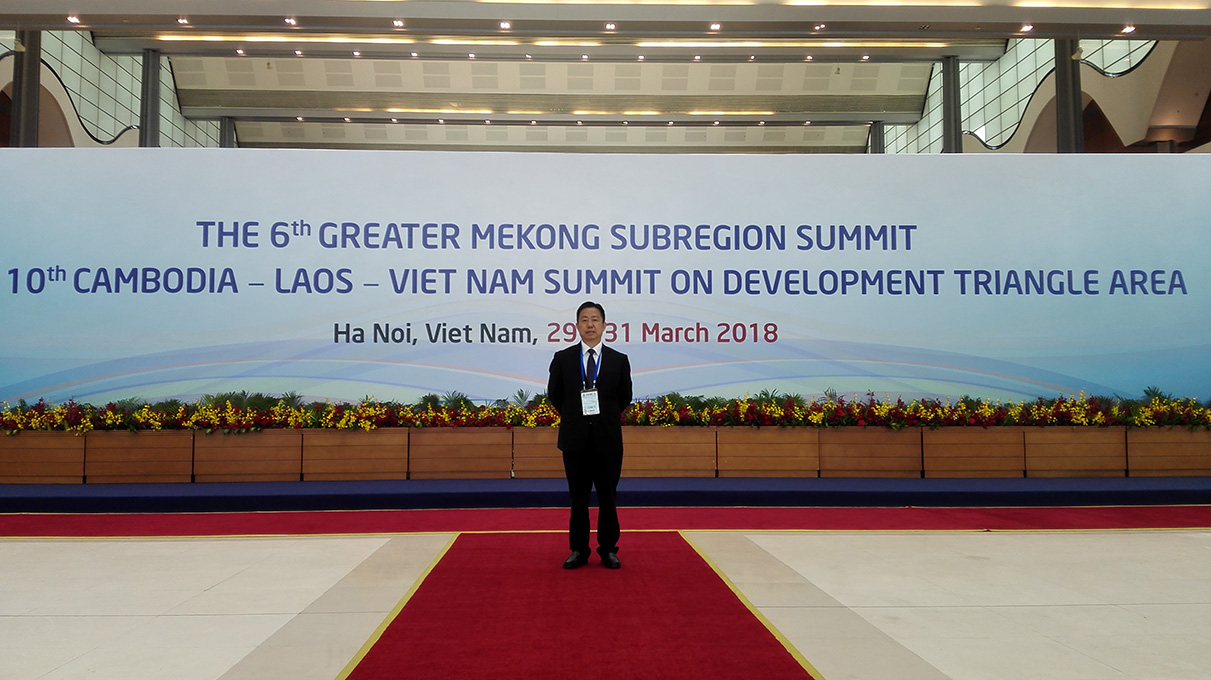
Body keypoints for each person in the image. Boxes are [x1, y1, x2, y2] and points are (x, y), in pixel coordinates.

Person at [547, 300, 633, 569]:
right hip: (575, 440)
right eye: (584, 320)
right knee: (578, 498)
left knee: (608, 497)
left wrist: (601, 416)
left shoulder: (619, 360)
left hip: (607, 440)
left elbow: (624, 397)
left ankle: (608, 550)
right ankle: (579, 549)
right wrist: (577, 416)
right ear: (576, 326)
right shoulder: (563, 359)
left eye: (595, 319)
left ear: (605, 325)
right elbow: (555, 395)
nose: (590, 325)